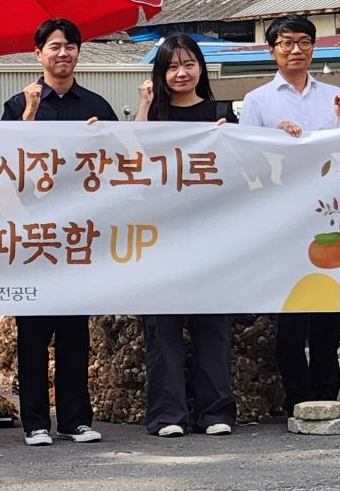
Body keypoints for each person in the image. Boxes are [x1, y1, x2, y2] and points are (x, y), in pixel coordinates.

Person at [239, 15, 340, 422]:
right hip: (283, 221)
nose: (296, 50)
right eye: (286, 43)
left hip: (329, 219)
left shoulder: (333, 96)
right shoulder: (258, 101)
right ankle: (297, 398)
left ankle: (329, 396)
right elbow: (246, 160)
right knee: (290, 315)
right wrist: (275, 138)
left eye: (304, 42)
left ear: (314, 47)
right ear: (271, 49)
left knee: (328, 312)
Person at [1, 18, 113, 447]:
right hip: (33, 236)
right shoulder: (17, 105)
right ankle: (34, 423)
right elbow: (5, 165)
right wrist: (29, 115)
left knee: (74, 334)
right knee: (32, 335)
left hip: (78, 236)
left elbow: (118, 162)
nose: (62, 53)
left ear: (78, 53)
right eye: (53, 47)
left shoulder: (96, 106)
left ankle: (75, 419)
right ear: (38, 54)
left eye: (69, 46)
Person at [135, 35, 237, 438]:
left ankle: (216, 411)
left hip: (213, 236)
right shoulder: (153, 118)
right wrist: (144, 105)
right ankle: (167, 414)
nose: (181, 73)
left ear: (201, 69)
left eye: (189, 64)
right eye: (172, 67)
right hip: (161, 238)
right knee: (162, 329)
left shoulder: (222, 116)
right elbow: (131, 157)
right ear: (160, 74)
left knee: (212, 326)